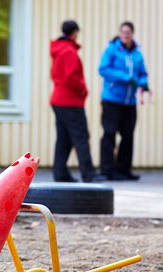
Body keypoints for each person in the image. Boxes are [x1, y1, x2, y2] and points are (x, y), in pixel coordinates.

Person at [49, 20, 104, 183]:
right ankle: (88, 174)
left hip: (58, 100)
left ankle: (60, 174)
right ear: (74, 33)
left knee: (64, 138)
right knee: (81, 137)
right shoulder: (69, 51)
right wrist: (83, 90)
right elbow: (71, 77)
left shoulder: (58, 50)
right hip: (70, 102)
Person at [98, 21, 149, 181]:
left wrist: (143, 82)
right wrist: (126, 77)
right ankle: (107, 170)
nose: (126, 35)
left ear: (132, 34)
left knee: (128, 135)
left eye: (128, 32)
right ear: (120, 34)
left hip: (130, 102)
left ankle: (123, 170)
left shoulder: (137, 54)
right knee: (109, 133)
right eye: (123, 32)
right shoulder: (112, 49)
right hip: (112, 99)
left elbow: (142, 73)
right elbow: (103, 69)